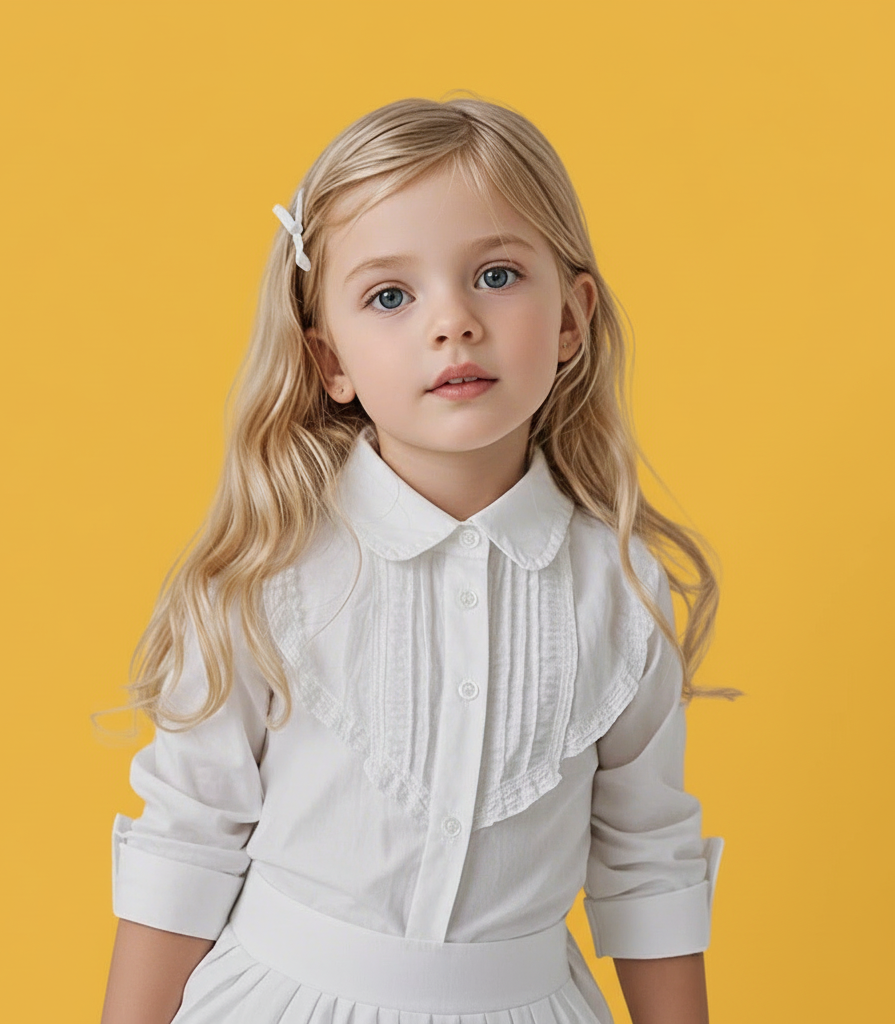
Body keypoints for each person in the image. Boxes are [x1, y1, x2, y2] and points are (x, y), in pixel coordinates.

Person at [99, 95, 731, 1024]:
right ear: (329, 361)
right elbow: (187, 838)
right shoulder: (268, 573)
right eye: (391, 296)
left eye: (499, 274)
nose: (453, 323)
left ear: (571, 319)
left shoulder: (621, 589)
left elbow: (646, 856)